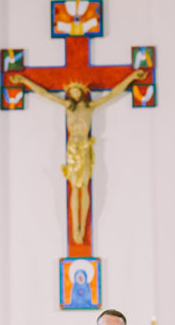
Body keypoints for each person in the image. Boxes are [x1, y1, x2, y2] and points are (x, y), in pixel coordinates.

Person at [8, 70, 146, 244]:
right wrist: (23, 80)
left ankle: (82, 223)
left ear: (82, 93)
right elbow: (43, 93)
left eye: (77, 90)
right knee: (74, 188)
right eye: (71, 91)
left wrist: (132, 78)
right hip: (73, 149)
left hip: (85, 148)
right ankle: (76, 228)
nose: (74, 93)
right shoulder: (67, 106)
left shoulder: (90, 107)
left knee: (85, 187)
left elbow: (113, 93)